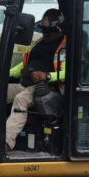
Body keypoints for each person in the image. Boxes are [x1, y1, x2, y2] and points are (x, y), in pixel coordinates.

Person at [4, 8, 67, 150]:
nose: (45, 33)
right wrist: (5, 73)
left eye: (49, 31)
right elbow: (24, 65)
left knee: (21, 99)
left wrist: (48, 76)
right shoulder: (38, 43)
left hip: (45, 88)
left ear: (59, 29)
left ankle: (6, 142)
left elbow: (68, 72)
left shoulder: (65, 47)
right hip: (25, 83)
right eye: (44, 30)